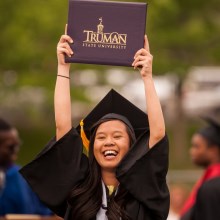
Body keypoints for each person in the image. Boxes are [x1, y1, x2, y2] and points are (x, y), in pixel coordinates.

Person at [20, 28, 169, 220]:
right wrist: (63, 67)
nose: (108, 141)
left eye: (117, 136)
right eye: (100, 137)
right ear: (92, 145)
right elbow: (63, 128)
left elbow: (157, 135)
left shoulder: (142, 192)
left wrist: (147, 77)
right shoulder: (80, 189)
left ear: (131, 145)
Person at [0, 118, 52, 216]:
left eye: (18, 145)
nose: (16, 150)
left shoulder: (19, 175)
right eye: (10, 147)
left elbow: (42, 210)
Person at [180, 117, 220, 220]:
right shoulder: (209, 179)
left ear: (213, 150)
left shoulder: (212, 187)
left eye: (196, 146)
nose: (191, 151)